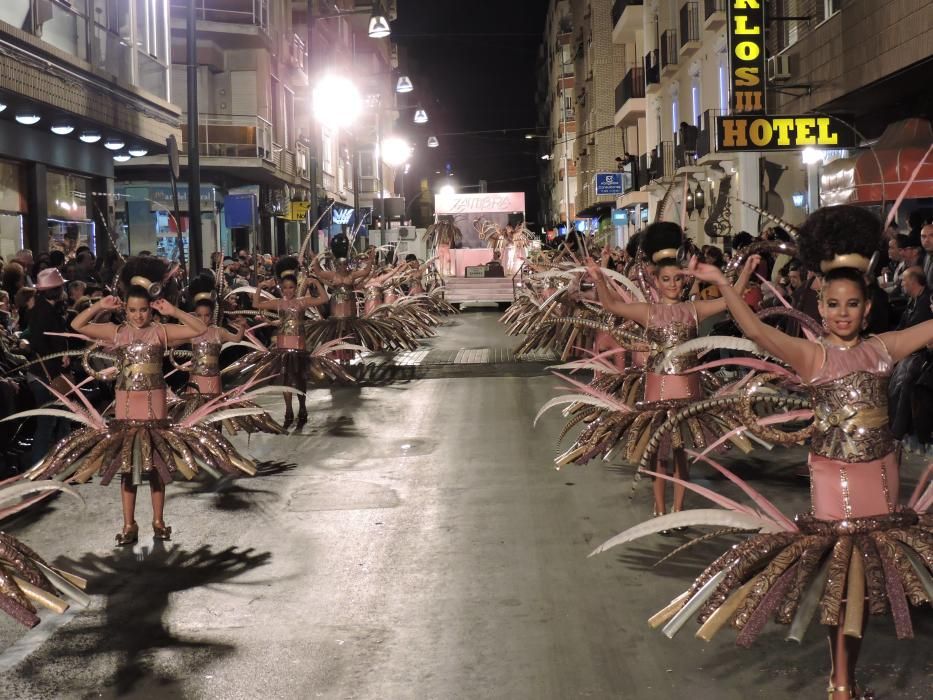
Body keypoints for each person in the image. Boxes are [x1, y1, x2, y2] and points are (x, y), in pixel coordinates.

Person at [609, 205, 933, 699]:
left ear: (867, 308)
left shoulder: (885, 348)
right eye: (832, 304)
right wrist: (722, 280)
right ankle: (841, 682)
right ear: (819, 307)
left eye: (851, 304)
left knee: (866, 582)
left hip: (882, 478)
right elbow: (758, 332)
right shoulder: (813, 355)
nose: (842, 313)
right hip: (836, 481)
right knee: (844, 577)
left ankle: (843, 677)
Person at [20, 256, 256, 545]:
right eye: (132, 310)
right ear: (126, 310)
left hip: (154, 410)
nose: (138, 315)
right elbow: (77, 323)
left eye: (143, 310)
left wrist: (173, 310)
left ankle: (158, 520)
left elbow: (197, 329)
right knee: (128, 470)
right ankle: (129, 524)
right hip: (126, 410)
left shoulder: (161, 333)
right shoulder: (118, 333)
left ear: (151, 310)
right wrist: (99, 306)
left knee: (156, 467)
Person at [574, 221, 758, 520]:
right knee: (659, 453)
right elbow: (611, 306)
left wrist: (746, 272)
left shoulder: (693, 310)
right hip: (657, 392)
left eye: (677, 279)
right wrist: (599, 276)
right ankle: (659, 508)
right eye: (666, 279)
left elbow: (730, 300)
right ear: (656, 282)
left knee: (680, 454)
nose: (672, 284)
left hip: (688, 392)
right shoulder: (648, 312)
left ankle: (677, 508)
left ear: (684, 281)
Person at [246, 256, 331, 427]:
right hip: (283, 345)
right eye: (285, 288)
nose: (288, 291)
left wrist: (314, 281)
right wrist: (261, 287)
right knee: (285, 379)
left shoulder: (302, 302)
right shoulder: (278, 303)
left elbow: (324, 299)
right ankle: (288, 410)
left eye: (291, 287)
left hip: (299, 344)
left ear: (296, 287)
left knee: (299, 378)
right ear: (281, 288)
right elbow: (256, 303)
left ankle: (302, 407)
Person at [24, 268, 71, 467]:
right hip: (47, 375)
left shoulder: (40, 309)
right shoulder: (46, 312)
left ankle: (56, 466)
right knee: (48, 424)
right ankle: (40, 469)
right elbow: (40, 344)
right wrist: (61, 358)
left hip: (42, 374)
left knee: (54, 421)